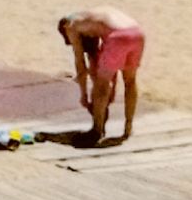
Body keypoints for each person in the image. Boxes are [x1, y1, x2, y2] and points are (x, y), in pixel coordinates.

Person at [58, 8, 146, 143]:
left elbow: (81, 66)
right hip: (137, 33)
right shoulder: (94, 17)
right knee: (130, 81)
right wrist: (111, 94)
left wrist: (84, 96)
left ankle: (97, 130)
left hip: (118, 38)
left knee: (102, 84)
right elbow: (106, 66)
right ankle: (128, 127)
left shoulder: (71, 26)